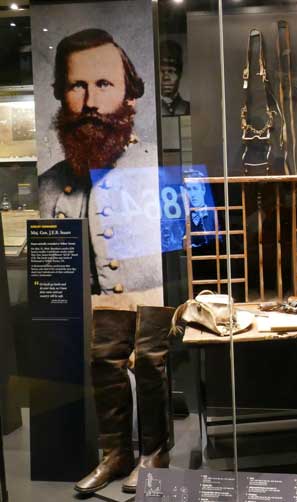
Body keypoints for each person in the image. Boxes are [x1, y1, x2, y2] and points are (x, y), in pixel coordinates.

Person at [37, 29, 171, 495]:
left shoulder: (154, 168)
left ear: (129, 93)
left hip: (152, 290)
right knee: (104, 365)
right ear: (60, 94)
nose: (91, 100)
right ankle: (115, 455)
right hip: (96, 300)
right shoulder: (50, 184)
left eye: (105, 84)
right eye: (78, 86)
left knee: (151, 364)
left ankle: (156, 452)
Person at [159, 40, 190, 116]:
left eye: (171, 71)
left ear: (180, 73)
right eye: (161, 71)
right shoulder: (151, 109)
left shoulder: (190, 109)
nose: (166, 77)